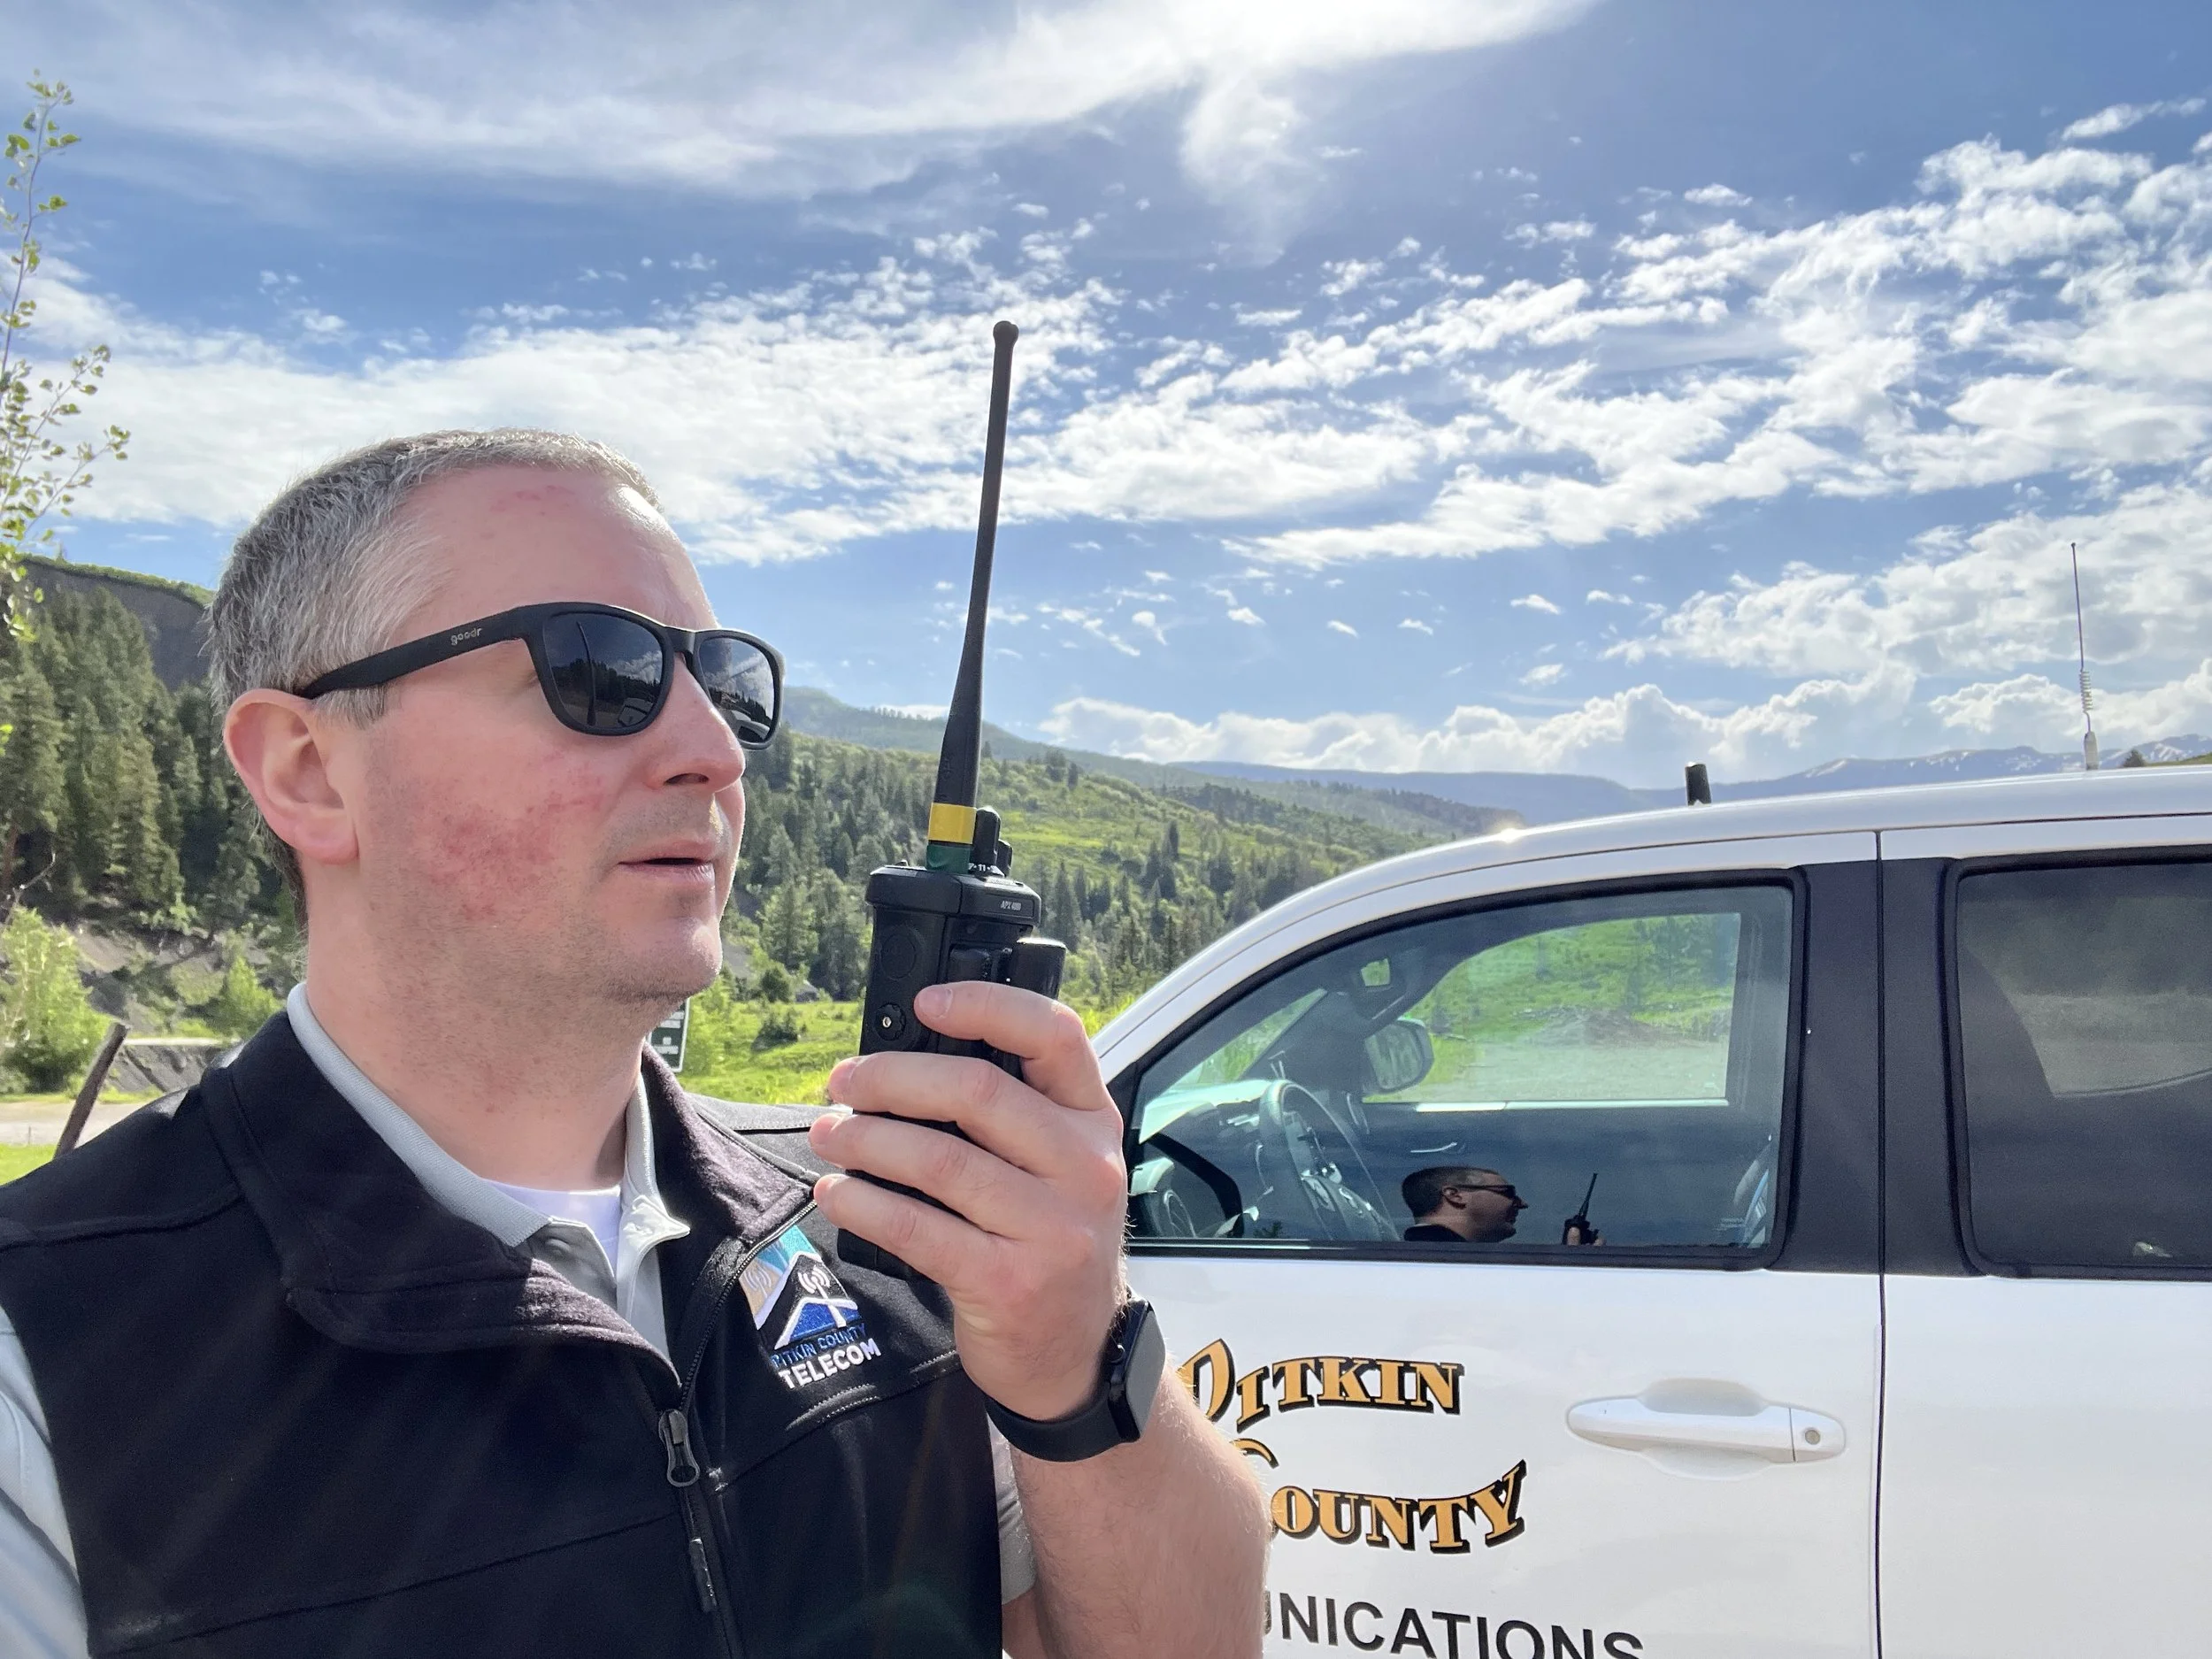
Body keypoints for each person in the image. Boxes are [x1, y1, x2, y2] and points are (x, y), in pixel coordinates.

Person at [0, 431, 1267, 1659]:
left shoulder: (881, 1229)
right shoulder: (46, 1358)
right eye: (599, 671)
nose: (714, 752)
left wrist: (1081, 1363)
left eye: (726, 684)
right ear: (309, 772)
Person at [1401, 1164, 1529, 1242]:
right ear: (1454, 1195)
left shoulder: (1411, 1257)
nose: (1522, 1204)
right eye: (1508, 1192)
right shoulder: (1451, 1262)